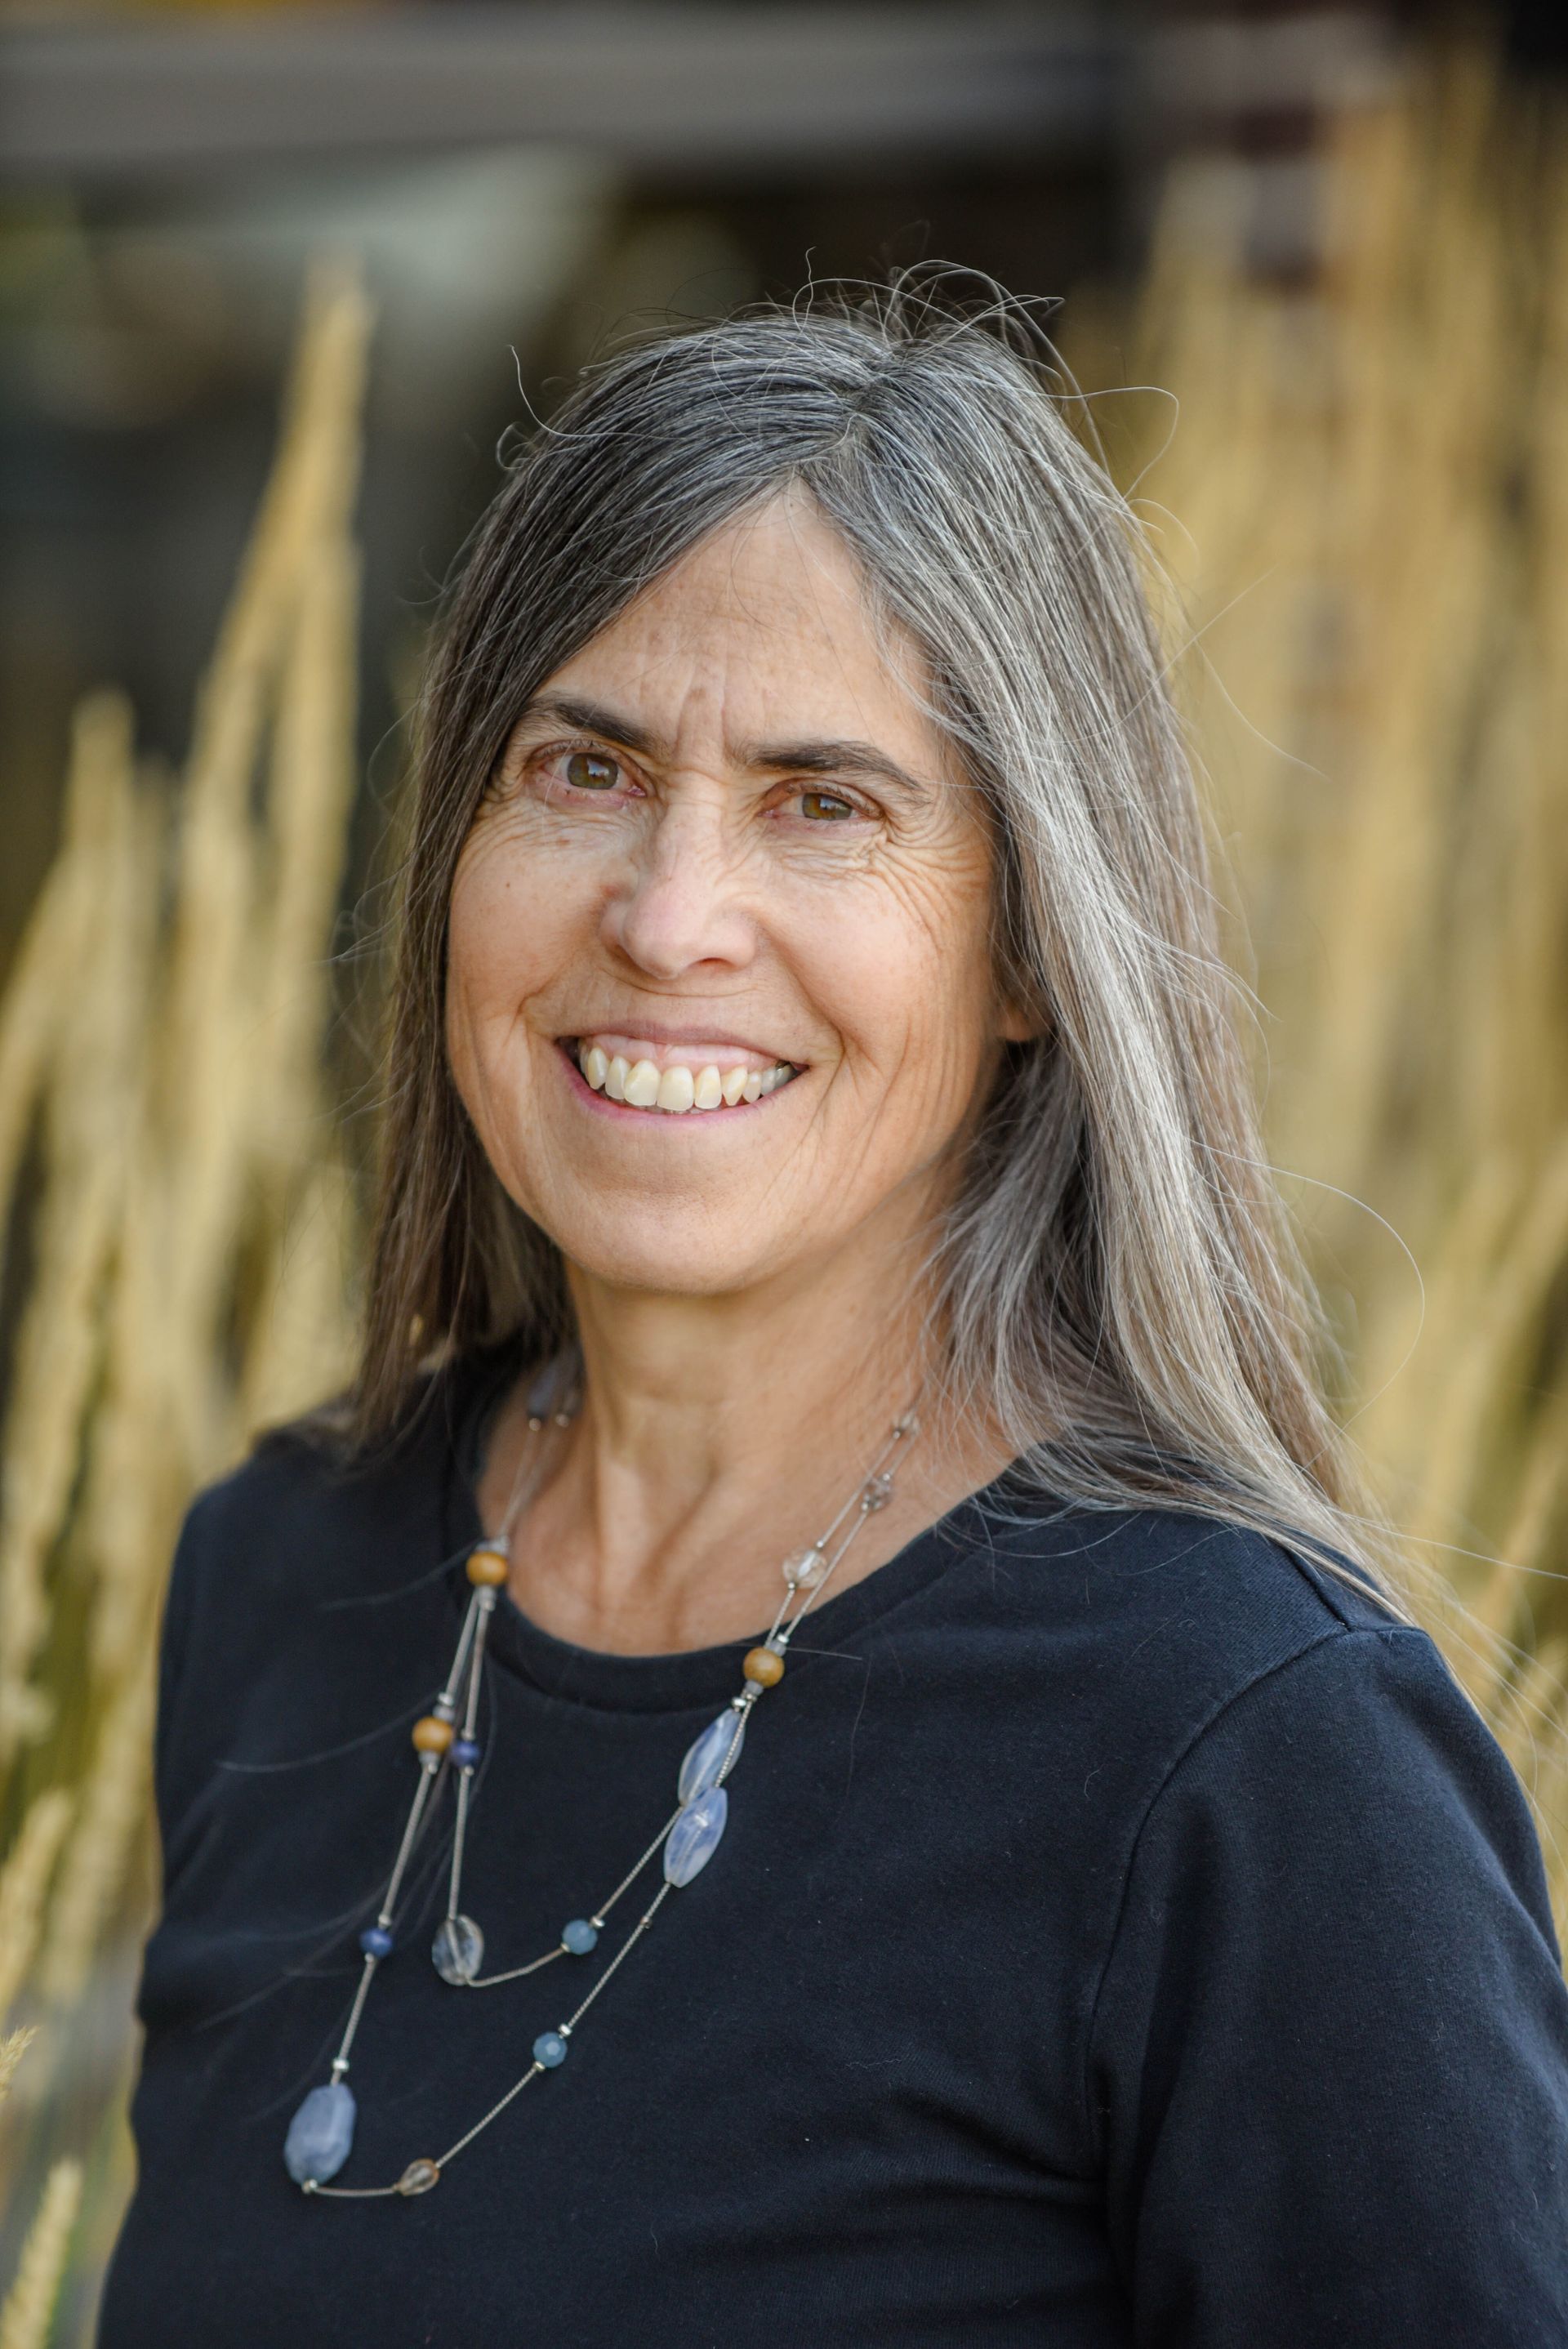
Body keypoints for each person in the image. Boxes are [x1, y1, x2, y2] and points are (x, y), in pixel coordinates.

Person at [100, 281, 1568, 2347]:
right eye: (585, 767)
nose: (671, 915)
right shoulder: (283, 1576)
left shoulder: (1250, 1762)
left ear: (1031, 947)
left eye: (827, 804)